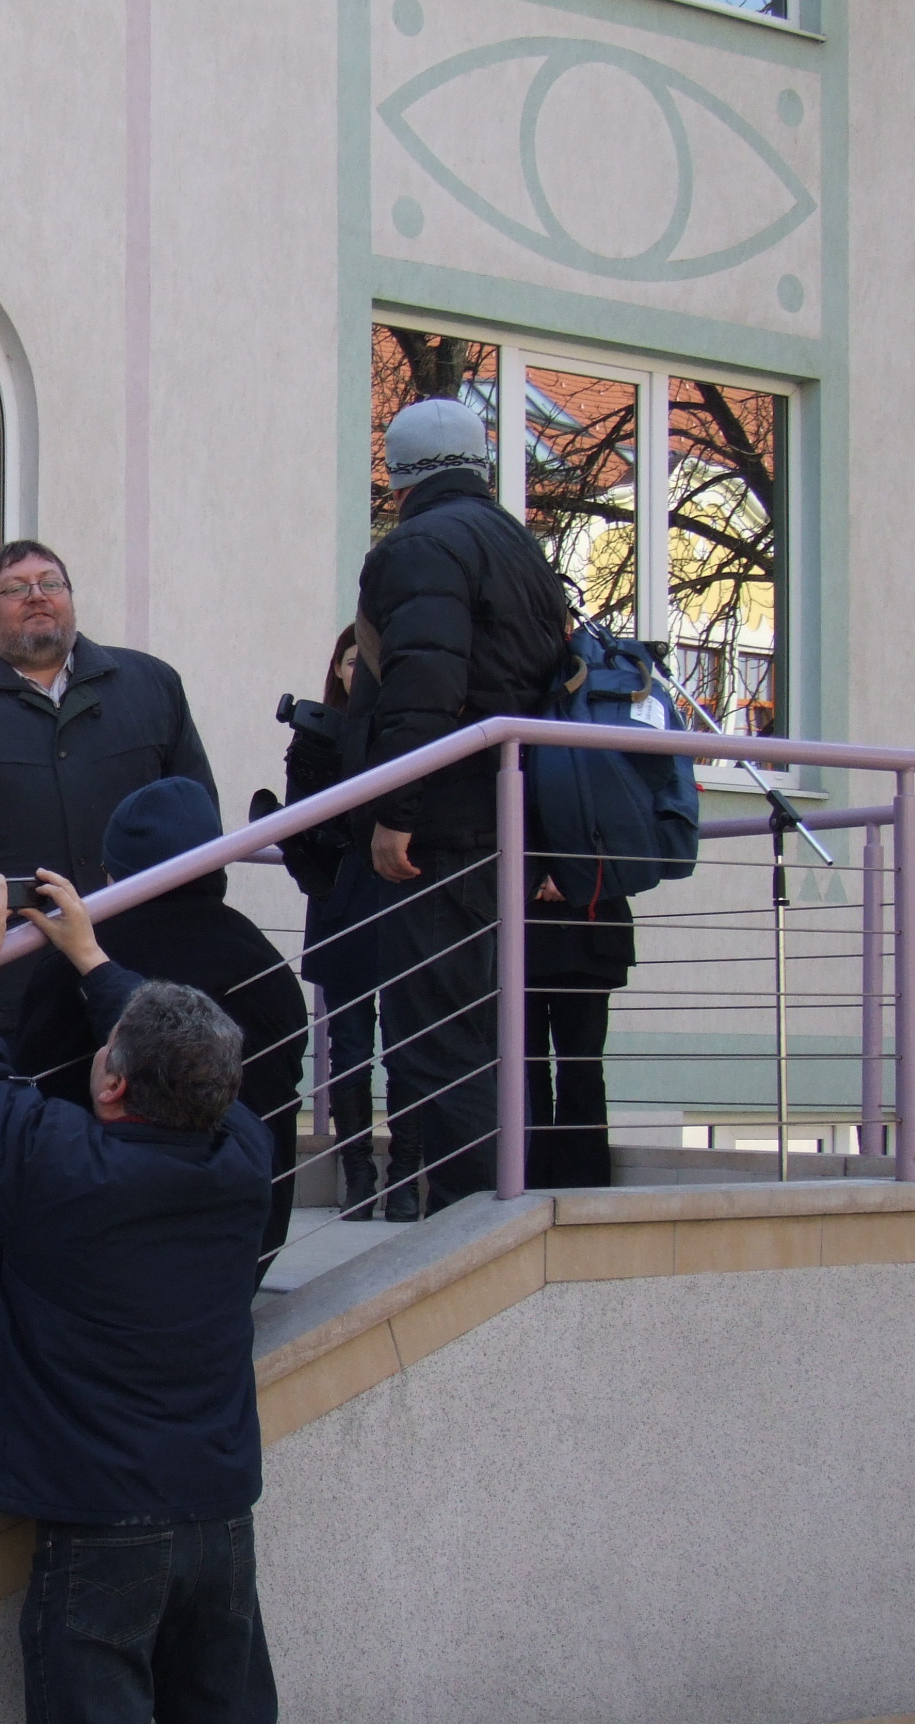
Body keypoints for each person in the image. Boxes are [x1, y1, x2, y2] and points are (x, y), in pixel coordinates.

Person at [0, 869, 320, 1724]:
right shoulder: (241, 1156)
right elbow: (176, 1066)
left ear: (108, 1087)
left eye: (107, 1054)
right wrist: (95, 960)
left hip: (100, 1532)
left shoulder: (62, 1170)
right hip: (214, 1522)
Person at [349, 396, 565, 1210]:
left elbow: (423, 688)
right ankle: (500, 1208)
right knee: (485, 1032)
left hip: (445, 830)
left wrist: (395, 812)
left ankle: (473, 1229)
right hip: (505, 821)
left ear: (398, 476)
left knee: (438, 1037)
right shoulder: (517, 545)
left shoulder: (420, 548)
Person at [0, 539, 217, 984]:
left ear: (70, 600)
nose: (37, 596)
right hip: (16, 975)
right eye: (16, 588)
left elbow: (200, 822)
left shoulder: (153, 685)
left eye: (51, 584)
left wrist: (199, 936)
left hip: (148, 962)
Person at [19, 777, 308, 1277]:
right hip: (246, 1246)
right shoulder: (268, 967)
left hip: (104, 1251)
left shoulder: (70, 966)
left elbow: (21, 1106)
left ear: (115, 873)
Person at [279, 629, 417, 1221]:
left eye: (371, 662)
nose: (360, 672)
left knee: (407, 1044)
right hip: (342, 898)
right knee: (351, 1046)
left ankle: (406, 1173)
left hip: (403, 893)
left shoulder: (404, 730)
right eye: (352, 661)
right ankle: (358, 1173)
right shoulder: (318, 732)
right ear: (336, 669)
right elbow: (298, 824)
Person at [526, 879, 635, 1189]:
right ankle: (525, 1176)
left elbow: (642, 855)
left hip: (589, 932)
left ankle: (578, 1186)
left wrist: (571, 873)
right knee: (523, 1068)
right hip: (521, 929)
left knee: (580, 1068)